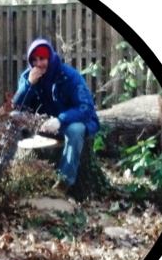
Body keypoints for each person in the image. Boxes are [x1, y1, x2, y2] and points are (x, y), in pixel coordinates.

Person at [12, 38, 100, 192]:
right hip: (42, 124)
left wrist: (60, 120)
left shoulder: (70, 76)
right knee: (13, 116)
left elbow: (86, 107)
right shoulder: (28, 76)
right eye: (35, 60)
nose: (39, 64)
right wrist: (29, 85)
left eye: (42, 59)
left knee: (76, 129)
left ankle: (64, 182)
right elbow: (17, 105)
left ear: (50, 58)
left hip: (67, 124)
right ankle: (14, 173)